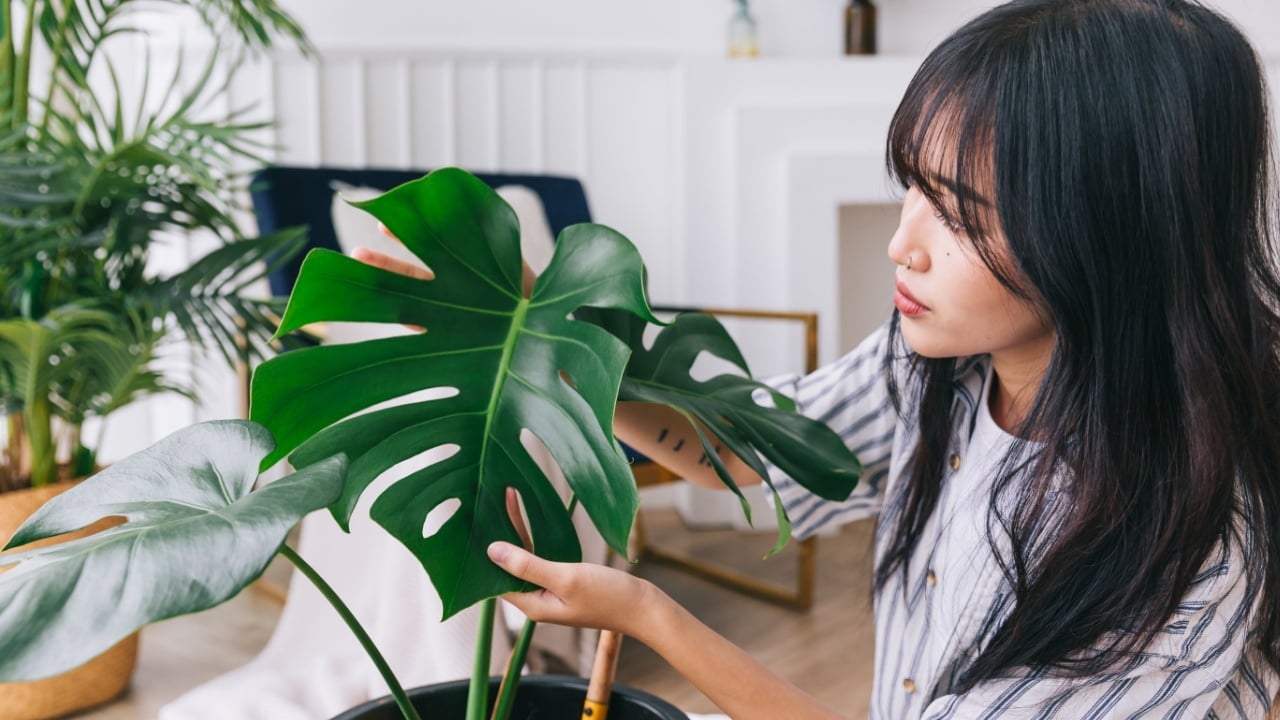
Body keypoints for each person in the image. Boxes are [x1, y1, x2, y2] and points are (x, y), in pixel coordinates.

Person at [360, 1, 1280, 716]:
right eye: (913, 188)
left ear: (1110, 235)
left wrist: (649, 615)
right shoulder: (942, 367)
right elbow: (751, 454)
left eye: (957, 214)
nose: (903, 245)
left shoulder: (1180, 545)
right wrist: (542, 328)